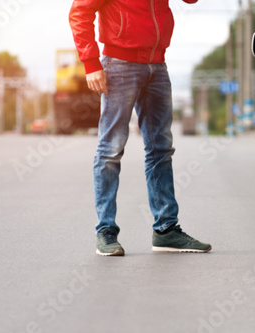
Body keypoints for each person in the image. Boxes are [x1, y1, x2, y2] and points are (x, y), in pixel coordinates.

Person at [69, 0, 211, 256]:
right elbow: (80, 11)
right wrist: (91, 63)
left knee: (161, 148)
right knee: (111, 149)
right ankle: (106, 230)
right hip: (119, 64)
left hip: (157, 66)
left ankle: (166, 230)